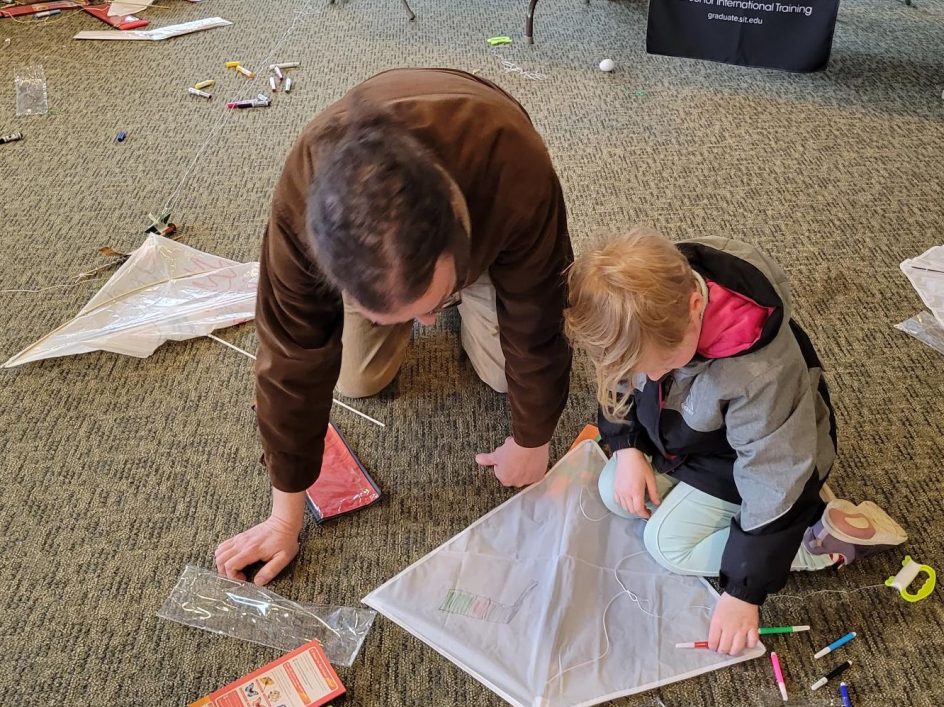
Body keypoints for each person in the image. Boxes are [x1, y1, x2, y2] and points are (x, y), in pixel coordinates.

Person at [215, 69, 573, 585]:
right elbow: (290, 356)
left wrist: (533, 438)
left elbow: (540, 310)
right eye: (404, 314)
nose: (425, 324)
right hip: (398, 263)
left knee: (507, 377)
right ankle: (411, 297)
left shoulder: (515, 166)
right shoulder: (299, 202)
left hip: (490, 226)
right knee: (357, 380)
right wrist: (284, 515)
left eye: (429, 306)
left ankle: (465, 291)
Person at [564, 230, 907, 655]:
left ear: (694, 306)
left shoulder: (758, 372)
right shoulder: (649, 307)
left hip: (754, 463)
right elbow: (623, 382)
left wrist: (743, 592)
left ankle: (814, 537)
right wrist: (628, 445)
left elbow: (773, 472)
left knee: (666, 545)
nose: (649, 377)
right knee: (613, 488)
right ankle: (738, 517)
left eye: (663, 364)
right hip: (687, 440)